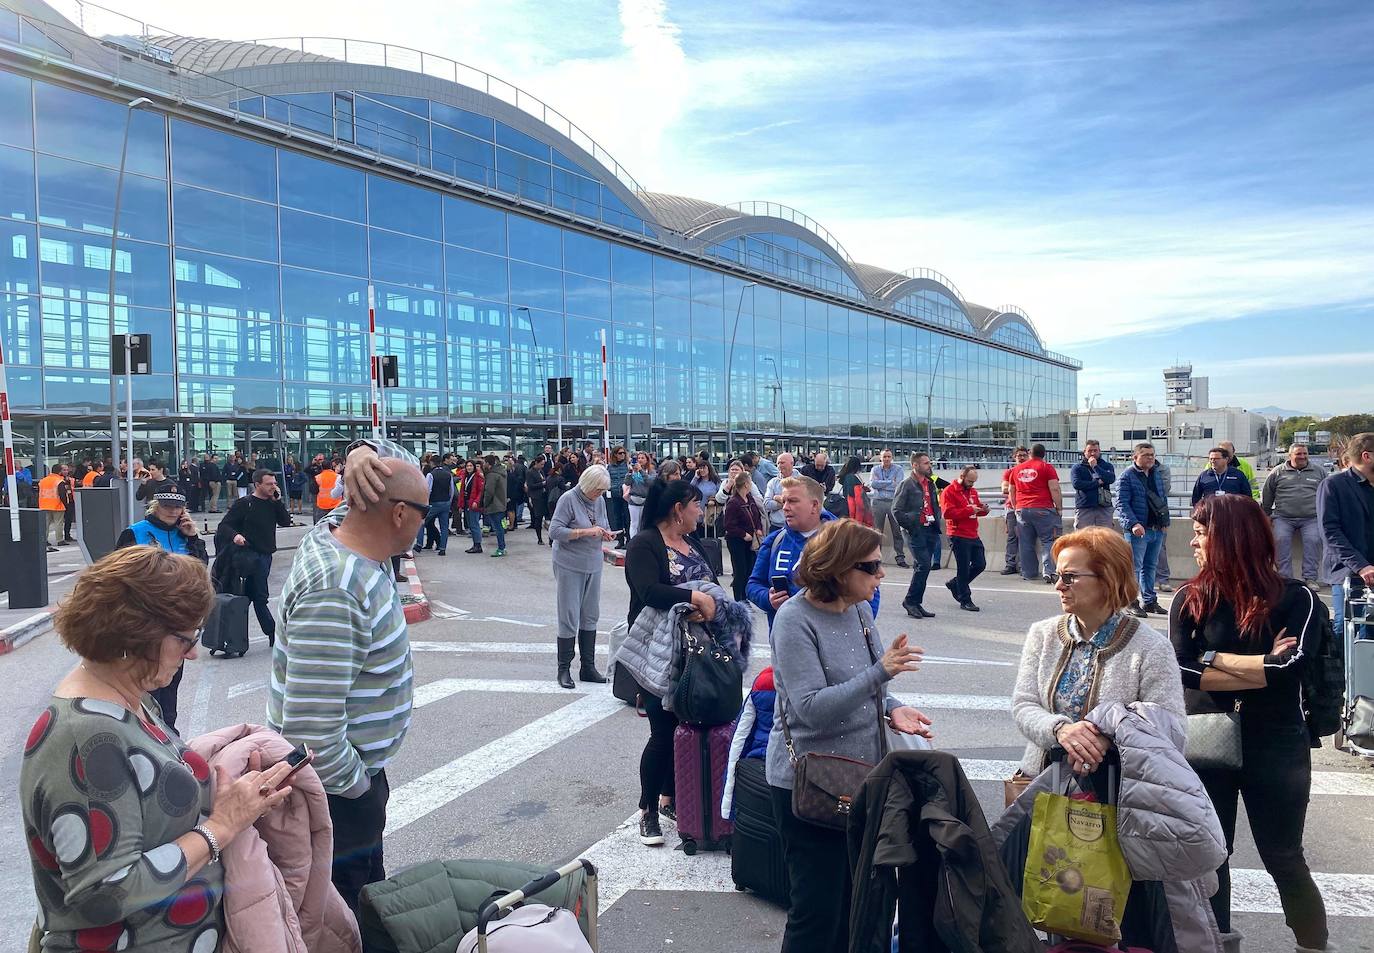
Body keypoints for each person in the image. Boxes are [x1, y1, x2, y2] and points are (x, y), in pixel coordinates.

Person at [21, 546, 296, 953]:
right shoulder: (87, 737)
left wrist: (238, 797)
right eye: (186, 639)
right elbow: (105, 893)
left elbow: (148, 806)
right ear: (135, 636)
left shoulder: (129, 698)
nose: (193, 653)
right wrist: (223, 825)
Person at [1170, 494, 1330, 952]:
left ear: (1232, 538)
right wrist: (1260, 661)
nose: (1194, 542)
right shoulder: (1189, 597)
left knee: (1283, 856)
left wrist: (1212, 661)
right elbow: (1179, 666)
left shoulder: (1295, 597)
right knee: (1211, 857)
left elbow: (1292, 668)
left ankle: (1314, 944)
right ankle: (1216, 944)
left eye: (1202, 533)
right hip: (1204, 740)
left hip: (1276, 742)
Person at [271, 439, 424, 915]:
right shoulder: (337, 590)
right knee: (343, 917)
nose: (428, 521)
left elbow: (353, 502)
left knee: (363, 899)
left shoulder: (343, 533)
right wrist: (359, 788)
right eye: (423, 512)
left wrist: (361, 451)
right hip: (339, 794)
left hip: (352, 780)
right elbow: (310, 729)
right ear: (399, 514)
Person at [767, 519, 932, 953]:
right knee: (816, 913)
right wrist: (882, 671)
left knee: (856, 905)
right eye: (872, 567)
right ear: (839, 570)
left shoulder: (859, 609)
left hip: (861, 779)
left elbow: (871, 685)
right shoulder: (793, 619)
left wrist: (894, 708)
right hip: (810, 782)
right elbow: (810, 709)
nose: (881, 576)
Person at [1012, 526, 1184, 781]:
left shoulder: (1151, 647)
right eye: (1057, 575)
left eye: (1069, 577)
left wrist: (1105, 740)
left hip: (1122, 795)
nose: (1059, 585)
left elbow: (1172, 727)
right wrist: (1060, 730)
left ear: (1108, 579)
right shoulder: (1043, 634)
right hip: (1043, 783)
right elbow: (1023, 705)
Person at [623, 478, 722, 846]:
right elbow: (648, 591)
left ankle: (672, 799)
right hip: (658, 650)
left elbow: (713, 586)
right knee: (662, 732)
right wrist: (693, 596)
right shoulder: (644, 544)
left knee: (689, 725)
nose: (701, 510)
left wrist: (709, 605)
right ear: (678, 509)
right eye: (696, 504)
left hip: (697, 650)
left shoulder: (694, 543)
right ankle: (647, 809)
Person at [115, 489, 207, 732]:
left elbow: (201, 568)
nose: (172, 511)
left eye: (177, 507)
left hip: (177, 620)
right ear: (155, 506)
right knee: (146, 681)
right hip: (146, 619)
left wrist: (193, 538)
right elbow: (120, 572)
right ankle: (144, 731)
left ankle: (169, 733)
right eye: (167, 506)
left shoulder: (184, 534)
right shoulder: (136, 532)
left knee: (170, 683)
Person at [747, 475, 880, 628]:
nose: (785, 507)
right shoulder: (775, 541)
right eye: (784, 501)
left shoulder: (844, 541)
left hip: (834, 640)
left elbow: (871, 591)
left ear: (815, 506)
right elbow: (753, 585)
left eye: (793, 501)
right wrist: (768, 599)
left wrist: (852, 627)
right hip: (787, 640)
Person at [550, 464, 616, 688]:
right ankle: (564, 669)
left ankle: (588, 667)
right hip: (569, 563)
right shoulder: (568, 499)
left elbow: (603, 523)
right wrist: (585, 532)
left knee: (590, 614)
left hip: (593, 562)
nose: (600, 495)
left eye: (602, 491)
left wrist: (604, 533)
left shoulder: (598, 500)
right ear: (588, 485)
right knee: (568, 614)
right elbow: (555, 531)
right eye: (598, 490)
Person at [216, 469, 293, 646]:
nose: (273, 486)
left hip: (264, 556)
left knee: (258, 597)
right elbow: (224, 526)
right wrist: (236, 536)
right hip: (245, 556)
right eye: (269, 484)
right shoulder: (245, 503)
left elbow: (285, 521)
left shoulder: (273, 503)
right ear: (257, 485)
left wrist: (278, 501)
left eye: (274, 483)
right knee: (244, 597)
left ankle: (270, 633)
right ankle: (233, 636)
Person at [1317, 431, 1374, 639]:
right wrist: (1361, 565)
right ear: (1367, 456)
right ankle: (1342, 671)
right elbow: (1330, 532)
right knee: (1347, 629)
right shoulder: (1333, 485)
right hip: (1349, 572)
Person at [1115, 442, 1170, 618]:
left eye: (1152, 455)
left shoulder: (1156, 474)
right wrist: (1133, 524)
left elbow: (1162, 499)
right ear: (1135, 457)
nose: (1150, 458)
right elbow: (1122, 504)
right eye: (1146, 455)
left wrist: (1164, 520)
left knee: (1150, 566)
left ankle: (1150, 601)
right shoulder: (1127, 476)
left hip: (1156, 528)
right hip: (1138, 529)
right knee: (1134, 568)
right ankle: (1131, 601)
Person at [1262, 444, 1328, 583]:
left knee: (1313, 541)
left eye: (1305, 453)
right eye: (1298, 454)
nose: (1302, 456)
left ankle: (1310, 578)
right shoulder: (1277, 472)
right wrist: (1266, 515)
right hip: (1283, 517)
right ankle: (1285, 579)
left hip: (1312, 518)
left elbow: (1328, 494)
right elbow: (1267, 494)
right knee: (1280, 540)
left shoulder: (1319, 472)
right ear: (1290, 456)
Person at [893, 452, 943, 619]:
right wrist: (911, 526)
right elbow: (896, 510)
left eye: (929, 463)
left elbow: (935, 503)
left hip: (930, 528)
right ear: (915, 465)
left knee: (922, 566)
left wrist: (937, 518)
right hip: (915, 530)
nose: (929, 466)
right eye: (926, 463)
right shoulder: (906, 484)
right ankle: (910, 601)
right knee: (924, 565)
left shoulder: (930, 483)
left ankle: (916, 602)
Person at [1009, 443, 1062, 583]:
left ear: (1029, 453)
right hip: (1043, 508)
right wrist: (1059, 508)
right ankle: (1049, 572)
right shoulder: (1047, 467)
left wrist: (1016, 507)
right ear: (1044, 454)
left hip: (1022, 509)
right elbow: (1055, 488)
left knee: (1025, 542)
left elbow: (1011, 491)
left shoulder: (1016, 469)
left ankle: (1029, 573)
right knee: (1049, 540)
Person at [941, 464, 988, 611]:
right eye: (969, 481)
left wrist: (983, 510)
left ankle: (956, 584)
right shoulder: (949, 491)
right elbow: (947, 513)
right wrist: (968, 510)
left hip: (972, 533)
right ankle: (965, 599)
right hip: (958, 534)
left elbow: (976, 509)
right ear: (962, 477)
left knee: (980, 564)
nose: (972, 485)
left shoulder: (972, 492)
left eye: (973, 482)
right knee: (963, 568)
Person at [723, 469, 766, 602]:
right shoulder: (733, 502)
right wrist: (742, 534)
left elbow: (757, 515)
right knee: (740, 570)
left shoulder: (750, 498)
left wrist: (758, 528)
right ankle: (738, 599)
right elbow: (728, 525)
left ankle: (745, 596)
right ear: (746, 484)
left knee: (749, 569)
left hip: (750, 539)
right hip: (736, 540)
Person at [869, 449, 907, 568]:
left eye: (889, 456)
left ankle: (900, 557)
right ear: (880, 458)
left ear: (892, 458)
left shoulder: (899, 469)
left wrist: (881, 484)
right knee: (876, 532)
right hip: (878, 502)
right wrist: (891, 482)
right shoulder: (875, 469)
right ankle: (876, 558)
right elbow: (873, 484)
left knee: (897, 531)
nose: (886, 459)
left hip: (893, 502)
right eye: (884, 457)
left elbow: (898, 485)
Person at [1070, 439, 1116, 529]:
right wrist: (1097, 483)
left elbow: (1110, 479)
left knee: (1106, 538)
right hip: (1084, 507)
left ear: (1099, 451)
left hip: (1104, 507)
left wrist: (1095, 467)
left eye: (1095, 451)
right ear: (1084, 452)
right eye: (1090, 451)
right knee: (1083, 538)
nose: (1092, 453)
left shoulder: (1107, 466)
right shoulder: (1078, 468)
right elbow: (1077, 484)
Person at [999, 446, 1030, 575]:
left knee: (1026, 537)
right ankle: (1010, 564)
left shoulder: (1032, 471)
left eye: (1024, 455)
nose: (1021, 458)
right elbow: (1005, 489)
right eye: (1019, 456)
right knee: (1012, 536)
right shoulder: (1009, 472)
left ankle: (1025, 566)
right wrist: (1023, 488)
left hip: (1027, 507)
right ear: (1014, 457)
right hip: (1012, 507)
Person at [418, 452, 456, 555]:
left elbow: (428, 490)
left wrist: (425, 503)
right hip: (446, 503)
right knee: (444, 527)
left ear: (432, 463)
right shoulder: (448, 474)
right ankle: (442, 548)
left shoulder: (431, 475)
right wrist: (449, 501)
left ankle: (419, 544)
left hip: (434, 503)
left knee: (421, 522)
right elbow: (451, 490)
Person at [481, 454, 509, 557]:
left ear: (488, 464)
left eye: (484, 463)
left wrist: (484, 503)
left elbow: (489, 491)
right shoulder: (501, 472)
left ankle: (501, 548)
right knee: (500, 526)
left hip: (494, 505)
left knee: (498, 528)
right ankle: (502, 547)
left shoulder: (492, 475)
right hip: (501, 504)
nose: (483, 464)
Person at [623, 451, 656, 536]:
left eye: (642, 458)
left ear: (647, 459)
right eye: (638, 458)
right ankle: (633, 541)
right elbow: (627, 482)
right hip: (634, 499)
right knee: (634, 523)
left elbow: (650, 482)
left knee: (643, 523)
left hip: (646, 500)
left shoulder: (651, 471)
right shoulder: (633, 471)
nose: (640, 460)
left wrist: (641, 470)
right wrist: (630, 472)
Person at [763, 452, 796, 530]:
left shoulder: (802, 481)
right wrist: (786, 503)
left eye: (782, 463)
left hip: (796, 526)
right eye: (778, 463)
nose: (780, 466)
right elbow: (766, 504)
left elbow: (802, 504)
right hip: (776, 526)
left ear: (792, 463)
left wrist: (778, 498)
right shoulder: (772, 482)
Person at [37, 462, 66, 551]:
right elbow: (62, 494)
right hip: (57, 505)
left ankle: (44, 540)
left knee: (46, 524)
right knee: (58, 523)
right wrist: (66, 504)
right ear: (60, 471)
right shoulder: (59, 481)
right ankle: (60, 540)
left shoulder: (43, 480)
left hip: (44, 505)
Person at [691, 458, 721, 536]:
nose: (702, 470)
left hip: (710, 513)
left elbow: (720, 495)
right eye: (700, 468)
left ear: (708, 469)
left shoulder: (715, 481)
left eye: (704, 468)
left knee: (710, 536)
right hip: (698, 513)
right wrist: (696, 477)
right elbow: (690, 490)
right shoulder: (697, 481)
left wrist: (714, 499)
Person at [838, 455, 871, 525]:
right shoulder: (852, 478)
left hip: (847, 509)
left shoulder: (846, 477)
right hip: (854, 511)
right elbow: (856, 499)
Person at [525, 453, 551, 545]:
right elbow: (531, 485)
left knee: (548, 517)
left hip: (544, 495)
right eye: (541, 464)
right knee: (538, 517)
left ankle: (550, 538)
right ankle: (539, 538)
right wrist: (542, 484)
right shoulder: (530, 472)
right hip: (536, 497)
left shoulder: (541, 471)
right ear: (536, 463)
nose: (542, 466)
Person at [606, 446, 630, 533]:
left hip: (626, 494)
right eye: (620, 453)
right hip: (615, 493)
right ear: (615, 454)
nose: (622, 455)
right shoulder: (610, 466)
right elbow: (607, 478)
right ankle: (620, 539)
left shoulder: (627, 465)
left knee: (627, 516)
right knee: (617, 516)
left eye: (624, 453)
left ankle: (628, 538)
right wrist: (610, 487)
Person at [314, 458, 343, 523]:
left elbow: (314, 490)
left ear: (322, 467)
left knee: (320, 525)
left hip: (322, 505)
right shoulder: (338, 476)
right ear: (331, 466)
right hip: (336, 505)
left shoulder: (318, 477)